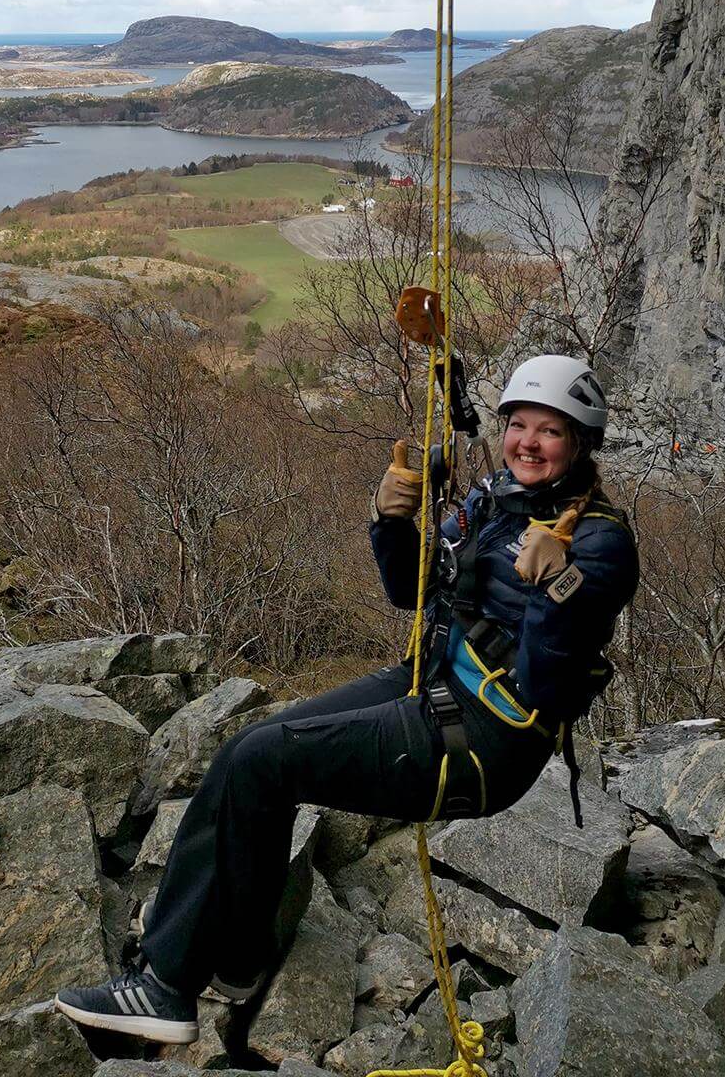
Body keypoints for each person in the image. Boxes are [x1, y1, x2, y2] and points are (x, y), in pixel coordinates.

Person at [54, 354, 639, 1044]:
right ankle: (238, 961)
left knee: (266, 764)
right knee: (249, 751)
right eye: (520, 426)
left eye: (551, 432)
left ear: (579, 446)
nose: (529, 444)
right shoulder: (491, 501)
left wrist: (556, 592)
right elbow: (411, 593)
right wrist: (390, 520)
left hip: (488, 739)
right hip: (430, 682)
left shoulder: (600, 542)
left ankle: (167, 988)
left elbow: (546, 687)